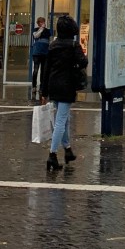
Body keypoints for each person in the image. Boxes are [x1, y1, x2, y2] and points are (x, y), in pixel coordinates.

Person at [41, 15, 87, 172]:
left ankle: (67, 150)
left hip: (53, 85)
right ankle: (52, 155)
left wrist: (43, 91)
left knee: (64, 119)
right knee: (61, 121)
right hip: (67, 86)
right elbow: (83, 62)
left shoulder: (53, 46)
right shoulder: (73, 45)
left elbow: (46, 70)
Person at [31, 17, 51, 92]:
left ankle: (42, 87)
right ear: (38, 23)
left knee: (44, 71)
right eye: (41, 22)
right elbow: (36, 36)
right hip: (37, 53)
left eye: (43, 22)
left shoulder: (47, 31)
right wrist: (41, 29)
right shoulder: (35, 30)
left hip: (45, 53)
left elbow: (49, 40)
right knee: (35, 70)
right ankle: (34, 86)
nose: (43, 23)